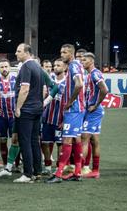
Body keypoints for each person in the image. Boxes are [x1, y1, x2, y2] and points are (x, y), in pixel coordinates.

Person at [46, 44, 85, 183]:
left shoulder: (74, 66)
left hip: (74, 109)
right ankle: (78, 172)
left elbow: (79, 84)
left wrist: (69, 102)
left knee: (66, 140)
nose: (62, 54)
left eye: (65, 52)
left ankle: (58, 174)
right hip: (78, 109)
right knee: (76, 139)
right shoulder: (76, 66)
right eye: (61, 51)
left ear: (71, 54)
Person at [13, 43, 44, 183]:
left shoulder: (26, 66)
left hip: (27, 109)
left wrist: (18, 107)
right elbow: (43, 89)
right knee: (34, 141)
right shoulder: (38, 66)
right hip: (37, 108)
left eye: (19, 51)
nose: (16, 53)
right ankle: (37, 172)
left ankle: (27, 173)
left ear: (27, 53)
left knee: (25, 142)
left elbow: (24, 89)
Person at [80, 53, 108, 179]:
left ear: (91, 61)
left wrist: (96, 105)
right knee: (94, 140)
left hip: (93, 111)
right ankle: (95, 170)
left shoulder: (95, 73)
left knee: (84, 139)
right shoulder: (89, 75)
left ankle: (79, 169)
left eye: (84, 60)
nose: (82, 62)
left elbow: (104, 89)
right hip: (92, 110)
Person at [41, 58, 66, 175]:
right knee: (45, 142)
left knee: (60, 144)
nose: (55, 67)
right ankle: (47, 166)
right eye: (54, 65)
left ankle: (58, 167)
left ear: (64, 67)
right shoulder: (49, 81)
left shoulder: (67, 83)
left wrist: (65, 119)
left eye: (58, 65)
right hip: (47, 118)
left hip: (60, 119)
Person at [0, 59, 16, 167]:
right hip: (0, 115)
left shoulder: (16, 80)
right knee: (3, 140)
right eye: (2, 67)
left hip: (14, 115)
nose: (4, 69)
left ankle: (16, 164)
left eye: (6, 67)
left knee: (15, 141)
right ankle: (5, 164)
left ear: (10, 68)